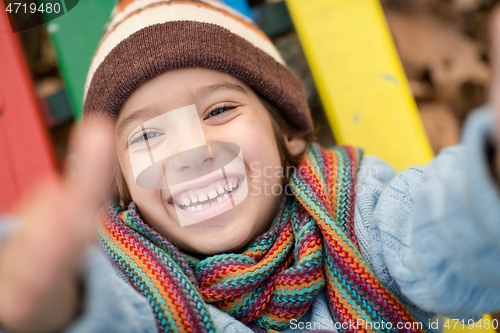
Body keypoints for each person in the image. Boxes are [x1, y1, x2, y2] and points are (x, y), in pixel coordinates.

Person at [0, 1, 499, 332]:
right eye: (148, 135)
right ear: (123, 184)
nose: (190, 153)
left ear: (287, 133)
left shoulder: (357, 210)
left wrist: (490, 176)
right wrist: (57, 304)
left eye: (219, 111)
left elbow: (438, 234)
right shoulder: (122, 282)